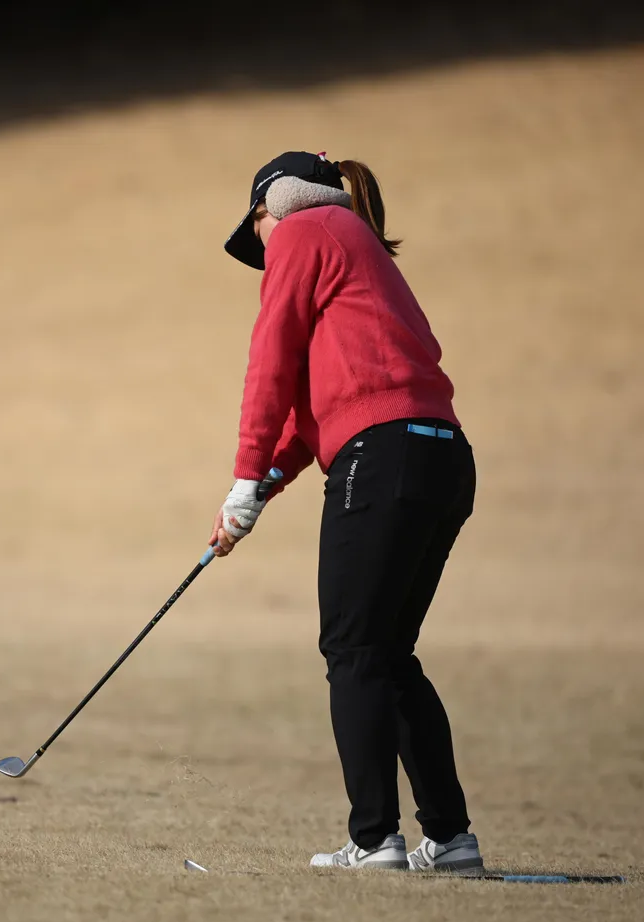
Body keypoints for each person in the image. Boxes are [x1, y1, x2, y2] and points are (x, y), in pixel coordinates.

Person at [210, 151, 483, 874]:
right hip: (440, 457)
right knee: (386, 654)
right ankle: (450, 839)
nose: (262, 250)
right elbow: (311, 420)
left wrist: (242, 476)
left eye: (256, 229)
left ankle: (374, 840)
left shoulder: (303, 231)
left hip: (382, 457)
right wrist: (256, 493)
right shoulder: (354, 246)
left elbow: (268, 363)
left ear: (272, 205)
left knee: (354, 651)